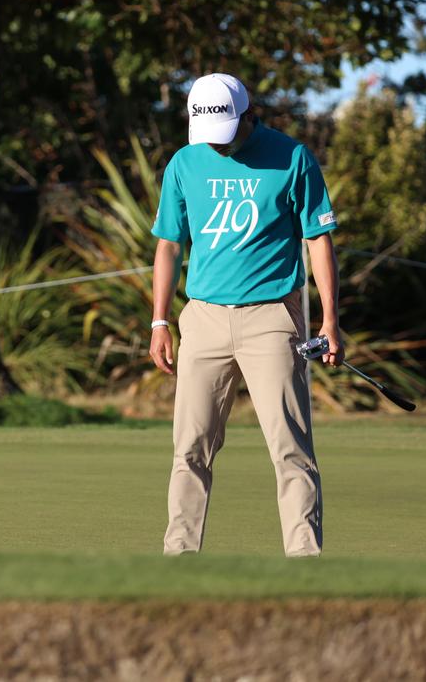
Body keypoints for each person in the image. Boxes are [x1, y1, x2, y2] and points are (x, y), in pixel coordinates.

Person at [149, 73, 342, 558]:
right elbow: (169, 244)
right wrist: (159, 320)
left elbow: (318, 240)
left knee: (291, 450)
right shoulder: (184, 162)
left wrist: (330, 321)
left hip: (273, 318)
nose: (215, 145)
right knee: (189, 450)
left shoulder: (292, 157)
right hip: (204, 318)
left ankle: (305, 562)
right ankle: (179, 558)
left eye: (224, 132)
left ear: (246, 115)